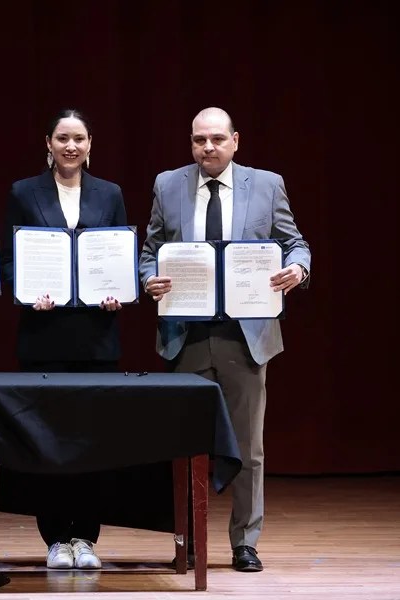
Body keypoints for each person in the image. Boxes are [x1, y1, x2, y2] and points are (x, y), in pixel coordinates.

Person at [139, 107, 311, 572]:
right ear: (190, 143)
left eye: (217, 139)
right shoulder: (167, 184)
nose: (208, 148)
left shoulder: (267, 184)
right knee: (184, 442)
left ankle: (244, 541)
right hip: (186, 333)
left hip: (246, 335)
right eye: (199, 140)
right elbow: (151, 249)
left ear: (236, 140)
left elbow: (295, 243)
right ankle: (187, 537)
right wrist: (149, 276)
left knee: (249, 447)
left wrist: (298, 268)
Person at [0, 109, 127, 570]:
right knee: (47, 441)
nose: (70, 147)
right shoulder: (22, 192)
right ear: (48, 143)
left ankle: (86, 539)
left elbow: (119, 255)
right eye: (61, 138)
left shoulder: (110, 193)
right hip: (43, 335)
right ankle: (55, 538)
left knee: (90, 441)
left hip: (96, 337)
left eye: (78, 139)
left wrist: (119, 290)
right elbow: (9, 263)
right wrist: (27, 293)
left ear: (90, 144)